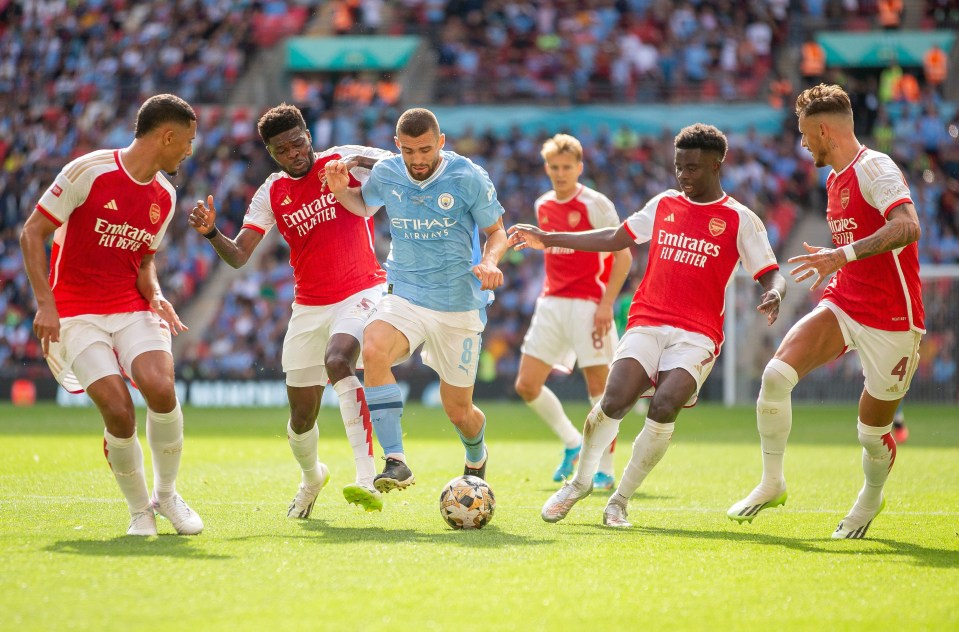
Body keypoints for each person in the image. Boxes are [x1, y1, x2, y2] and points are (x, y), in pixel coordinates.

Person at [509, 123, 785, 529]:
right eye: (678, 167)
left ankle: (619, 501)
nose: (683, 176)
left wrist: (775, 292)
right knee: (614, 400)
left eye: (692, 168)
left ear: (716, 164)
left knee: (664, 405)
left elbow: (770, 272)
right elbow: (616, 238)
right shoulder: (664, 204)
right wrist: (548, 238)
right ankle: (580, 483)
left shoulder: (740, 219)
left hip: (697, 334)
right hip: (647, 320)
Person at [727, 84, 923, 539]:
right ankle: (771, 482)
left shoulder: (875, 167)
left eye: (803, 135)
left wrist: (842, 254)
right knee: (775, 377)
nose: (801, 144)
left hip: (894, 318)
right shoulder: (834, 179)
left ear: (822, 130)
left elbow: (908, 226)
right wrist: (841, 263)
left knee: (872, 434)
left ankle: (870, 499)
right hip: (845, 301)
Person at [188, 103, 394, 515]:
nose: (295, 153)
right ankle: (312, 476)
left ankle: (366, 476)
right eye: (283, 149)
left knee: (339, 360)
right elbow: (239, 255)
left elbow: (402, 166)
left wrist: (361, 159)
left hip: (363, 289)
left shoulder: (341, 160)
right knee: (301, 419)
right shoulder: (272, 192)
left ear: (309, 135)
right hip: (309, 306)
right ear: (272, 152)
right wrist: (212, 232)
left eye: (299, 143)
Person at [19, 94, 203, 536]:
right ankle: (140, 511)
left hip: (131, 306)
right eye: (188, 141)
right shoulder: (89, 170)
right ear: (167, 135)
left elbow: (143, 263)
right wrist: (45, 303)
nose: (190, 151)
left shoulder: (165, 196)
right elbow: (32, 232)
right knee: (119, 412)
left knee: (160, 388)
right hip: (77, 313)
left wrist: (156, 295)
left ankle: (168, 495)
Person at [324, 107, 507, 488]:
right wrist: (343, 193)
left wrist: (490, 262)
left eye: (425, 150)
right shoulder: (387, 172)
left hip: (458, 302)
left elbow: (497, 231)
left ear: (441, 142)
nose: (417, 160)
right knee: (372, 348)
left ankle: (476, 452)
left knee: (458, 412)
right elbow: (364, 207)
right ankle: (396, 461)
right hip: (405, 290)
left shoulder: (466, 176)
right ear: (397, 146)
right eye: (409, 151)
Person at [513, 133, 632, 489]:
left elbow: (622, 254)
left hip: (588, 304)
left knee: (600, 389)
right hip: (551, 304)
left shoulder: (596, 203)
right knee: (526, 385)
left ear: (579, 168)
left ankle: (605, 470)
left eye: (567, 167)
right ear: (546, 167)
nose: (560, 173)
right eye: (554, 167)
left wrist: (607, 303)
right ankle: (573, 442)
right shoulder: (542, 205)